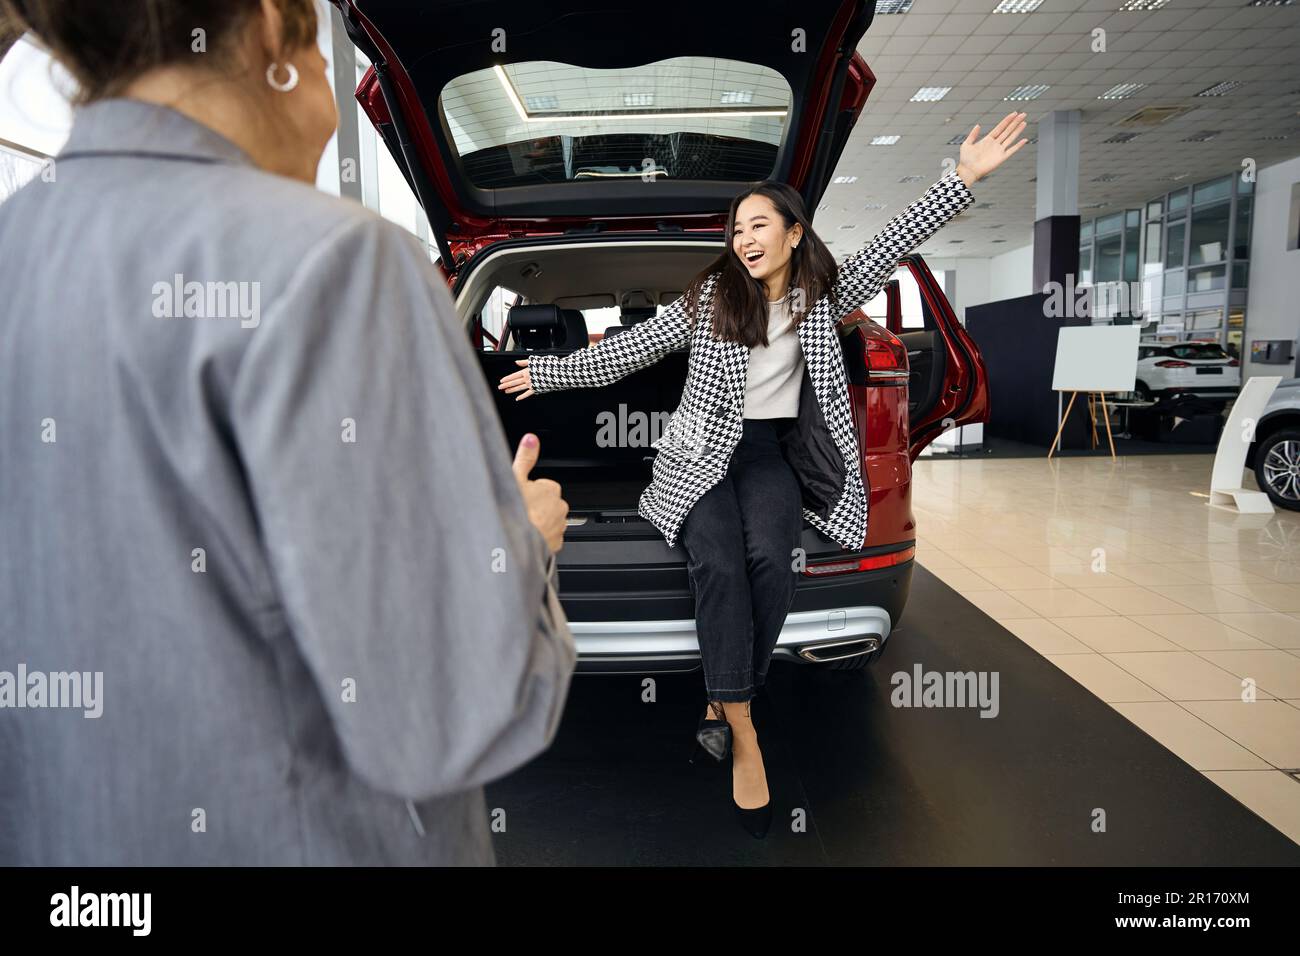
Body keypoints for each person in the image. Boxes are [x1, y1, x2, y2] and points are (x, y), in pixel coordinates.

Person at [0, 0, 574, 865]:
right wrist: (520, 547)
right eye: (324, 66)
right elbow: (443, 715)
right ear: (273, 29)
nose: (332, 114)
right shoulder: (332, 262)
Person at [499, 113, 1028, 838]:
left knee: (770, 558)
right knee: (717, 560)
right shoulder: (710, 299)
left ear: (793, 233)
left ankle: (723, 701)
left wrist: (961, 178)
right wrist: (551, 373)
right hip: (694, 458)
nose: (743, 239)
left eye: (756, 226)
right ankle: (743, 727)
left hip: (769, 455)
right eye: (736, 229)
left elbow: (889, 245)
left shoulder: (822, 298)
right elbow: (631, 351)